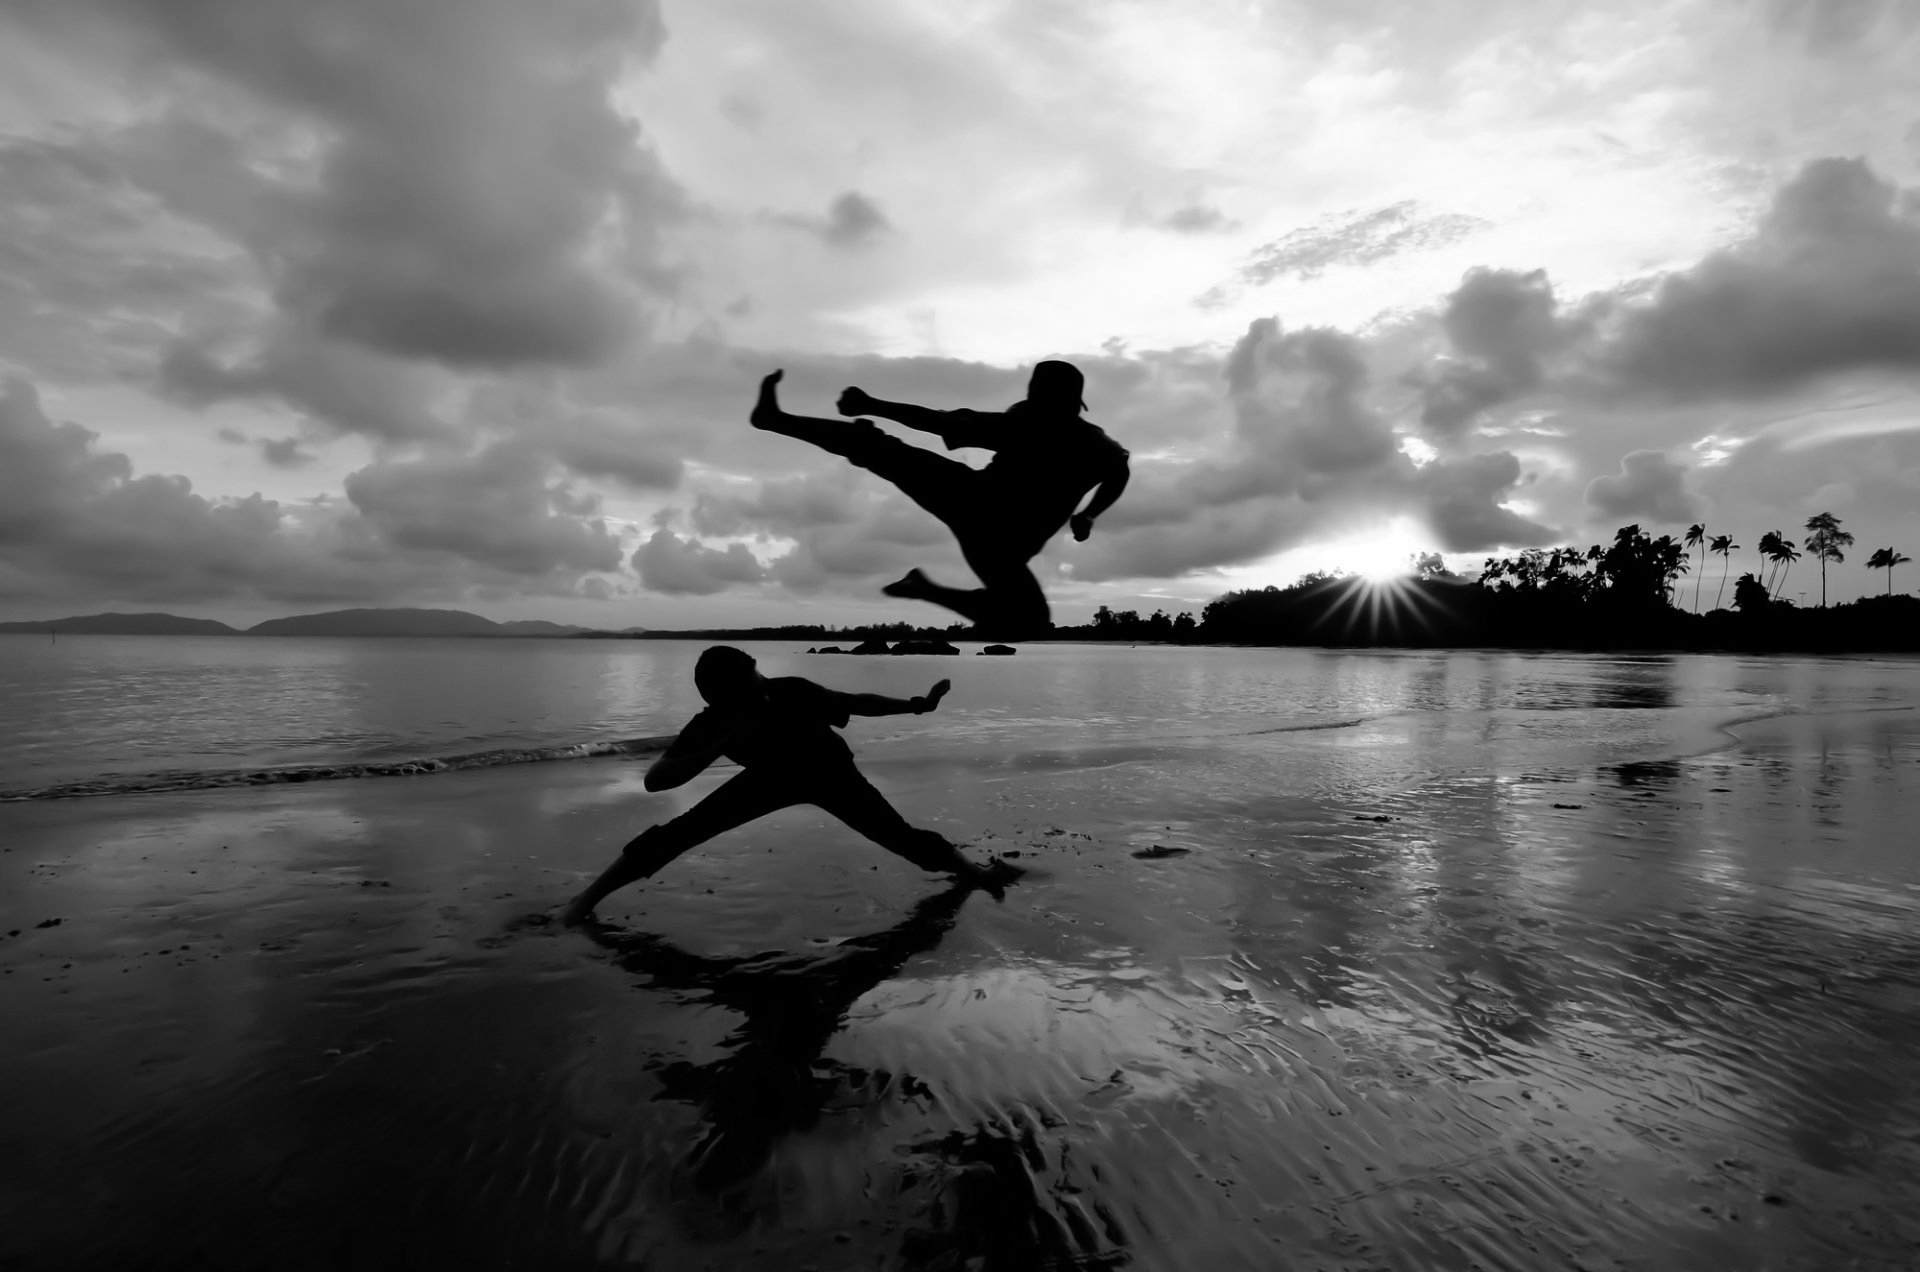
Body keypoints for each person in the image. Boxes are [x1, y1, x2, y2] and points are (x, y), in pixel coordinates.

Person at [563, 646, 1011, 923]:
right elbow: (655, 781)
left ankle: (977, 874)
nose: (758, 688)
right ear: (715, 696)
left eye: (754, 677)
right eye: (742, 688)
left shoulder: (789, 690)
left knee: (902, 840)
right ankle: (584, 901)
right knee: (679, 833)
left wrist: (919, 705)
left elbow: (854, 702)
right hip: (767, 781)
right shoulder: (713, 721)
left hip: (831, 774)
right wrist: (716, 744)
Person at [750, 360, 1130, 637]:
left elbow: (940, 421)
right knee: (877, 449)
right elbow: (1119, 473)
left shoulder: (1045, 431)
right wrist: (1090, 515)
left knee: (1027, 622)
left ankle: (923, 589)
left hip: (983, 524)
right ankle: (775, 419)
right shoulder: (1079, 442)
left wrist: (1091, 513)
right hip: (978, 511)